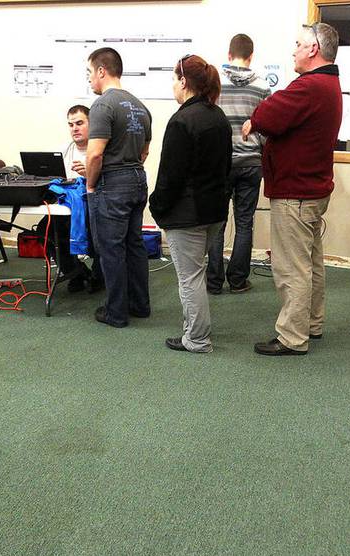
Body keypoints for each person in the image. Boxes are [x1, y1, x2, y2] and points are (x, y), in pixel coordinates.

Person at [244, 22, 342, 356]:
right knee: (311, 263)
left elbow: (267, 114)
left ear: (313, 49)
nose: (293, 50)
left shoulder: (310, 86)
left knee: (291, 268)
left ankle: (292, 337)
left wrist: (255, 120)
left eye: (298, 44)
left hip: (296, 193)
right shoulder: (327, 83)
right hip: (311, 190)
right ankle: (311, 324)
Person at [149, 55, 232, 353]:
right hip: (213, 212)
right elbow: (225, 169)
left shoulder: (182, 120)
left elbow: (170, 176)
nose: (173, 85)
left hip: (187, 213)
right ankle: (195, 332)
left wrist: (157, 206)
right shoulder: (217, 116)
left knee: (190, 278)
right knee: (196, 274)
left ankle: (196, 339)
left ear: (184, 82)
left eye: (174, 79)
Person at [85, 47, 152, 328]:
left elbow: (95, 154)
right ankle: (140, 305)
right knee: (134, 244)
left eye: (89, 73)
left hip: (112, 184)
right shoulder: (141, 106)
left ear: (102, 71)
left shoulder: (102, 106)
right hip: (137, 179)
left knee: (111, 248)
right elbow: (145, 152)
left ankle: (115, 313)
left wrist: (90, 185)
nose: (89, 79)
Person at [205, 34, 270, 296]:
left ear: (229, 55)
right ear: (251, 56)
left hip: (220, 162)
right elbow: (267, 125)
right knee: (245, 222)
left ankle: (213, 281)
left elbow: (207, 121)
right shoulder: (263, 86)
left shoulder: (214, 83)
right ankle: (238, 280)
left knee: (217, 222)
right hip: (251, 162)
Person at [41, 104, 103, 293]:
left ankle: (98, 276)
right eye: (70, 125)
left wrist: (91, 173)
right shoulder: (63, 151)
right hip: (66, 208)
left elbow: (109, 182)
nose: (74, 128)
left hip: (95, 206)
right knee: (46, 228)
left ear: (91, 124)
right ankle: (75, 272)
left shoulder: (100, 150)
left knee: (102, 233)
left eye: (79, 123)